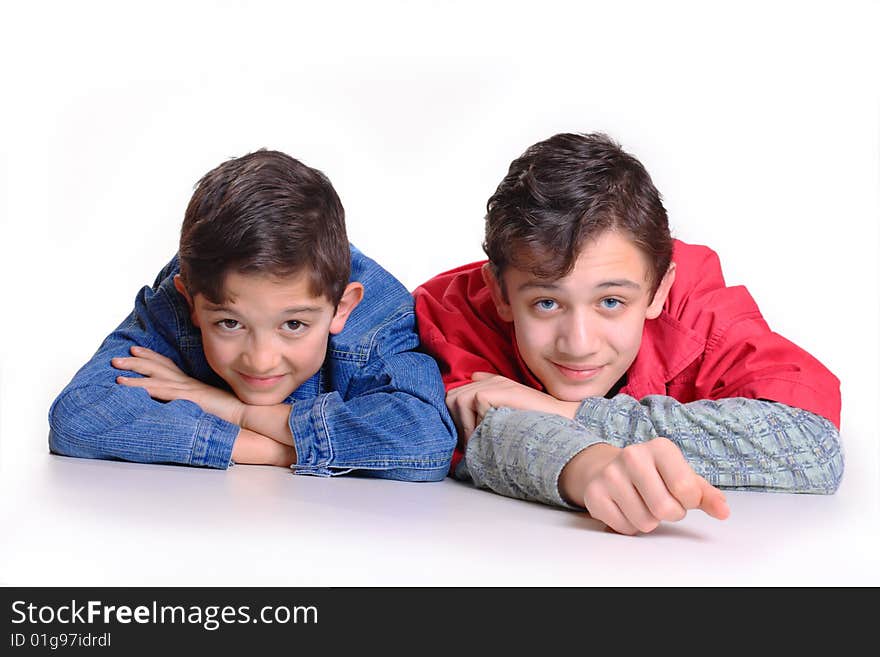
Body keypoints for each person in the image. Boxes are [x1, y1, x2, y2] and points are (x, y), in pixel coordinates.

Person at [413, 132, 844, 534]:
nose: (579, 343)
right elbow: (487, 438)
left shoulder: (698, 310)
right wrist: (589, 465)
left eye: (611, 302)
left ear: (659, 290)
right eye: (546, 303)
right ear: (500, 293)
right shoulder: (448, 317)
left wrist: (569, 413)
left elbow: (812, 443)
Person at [49, 149, 456, 481]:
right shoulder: (195, 287)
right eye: (230, 323)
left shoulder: (375, 318)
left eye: (293, 325)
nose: (261, 359)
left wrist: (233, 409)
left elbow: (425, 441)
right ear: (191, 303)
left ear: (342, 308)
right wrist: (269, 450)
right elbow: (79, 415)